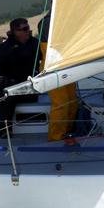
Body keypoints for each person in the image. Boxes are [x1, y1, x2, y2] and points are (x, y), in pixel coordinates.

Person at [0, 17, 40, 137]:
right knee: (7, 96)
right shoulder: (5, 48)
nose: (28, 31)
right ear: (15, 31)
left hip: (31, 86)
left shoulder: (35, 43)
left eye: (28, 28)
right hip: (11, 85)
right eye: (24, 29)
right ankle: (4, 130)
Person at [38, 12, 78, 141]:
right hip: (53, 67)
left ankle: (67, 132)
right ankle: (55, 138)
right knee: (61, 103)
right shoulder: (48, 22)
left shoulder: (64, 20)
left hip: (66, 65)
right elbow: (50, 50)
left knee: (72, 102)